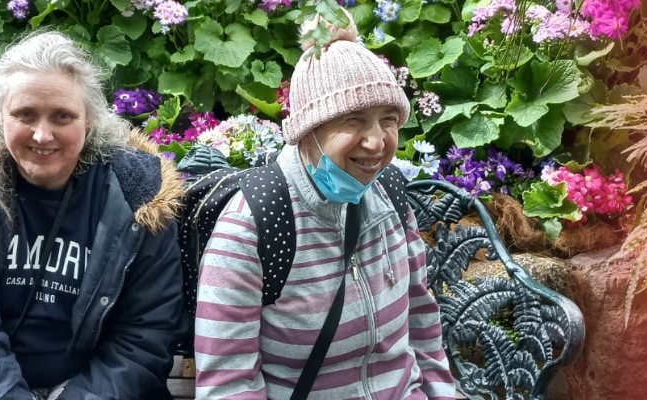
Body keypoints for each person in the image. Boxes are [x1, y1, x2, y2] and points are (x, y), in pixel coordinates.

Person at [0, 30, 186, 400]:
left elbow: (144, 336)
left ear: (88, 120)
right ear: (1, 116)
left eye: (62, 116)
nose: (43, 135)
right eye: (25, 114)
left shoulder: (139, 195)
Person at [192, 12, 456, 400]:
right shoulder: (252, 225)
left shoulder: (391, 197)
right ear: (307, 131)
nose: (376, 141)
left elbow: (422, 325)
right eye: (353, 120)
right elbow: (229, 386)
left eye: (388, 119)